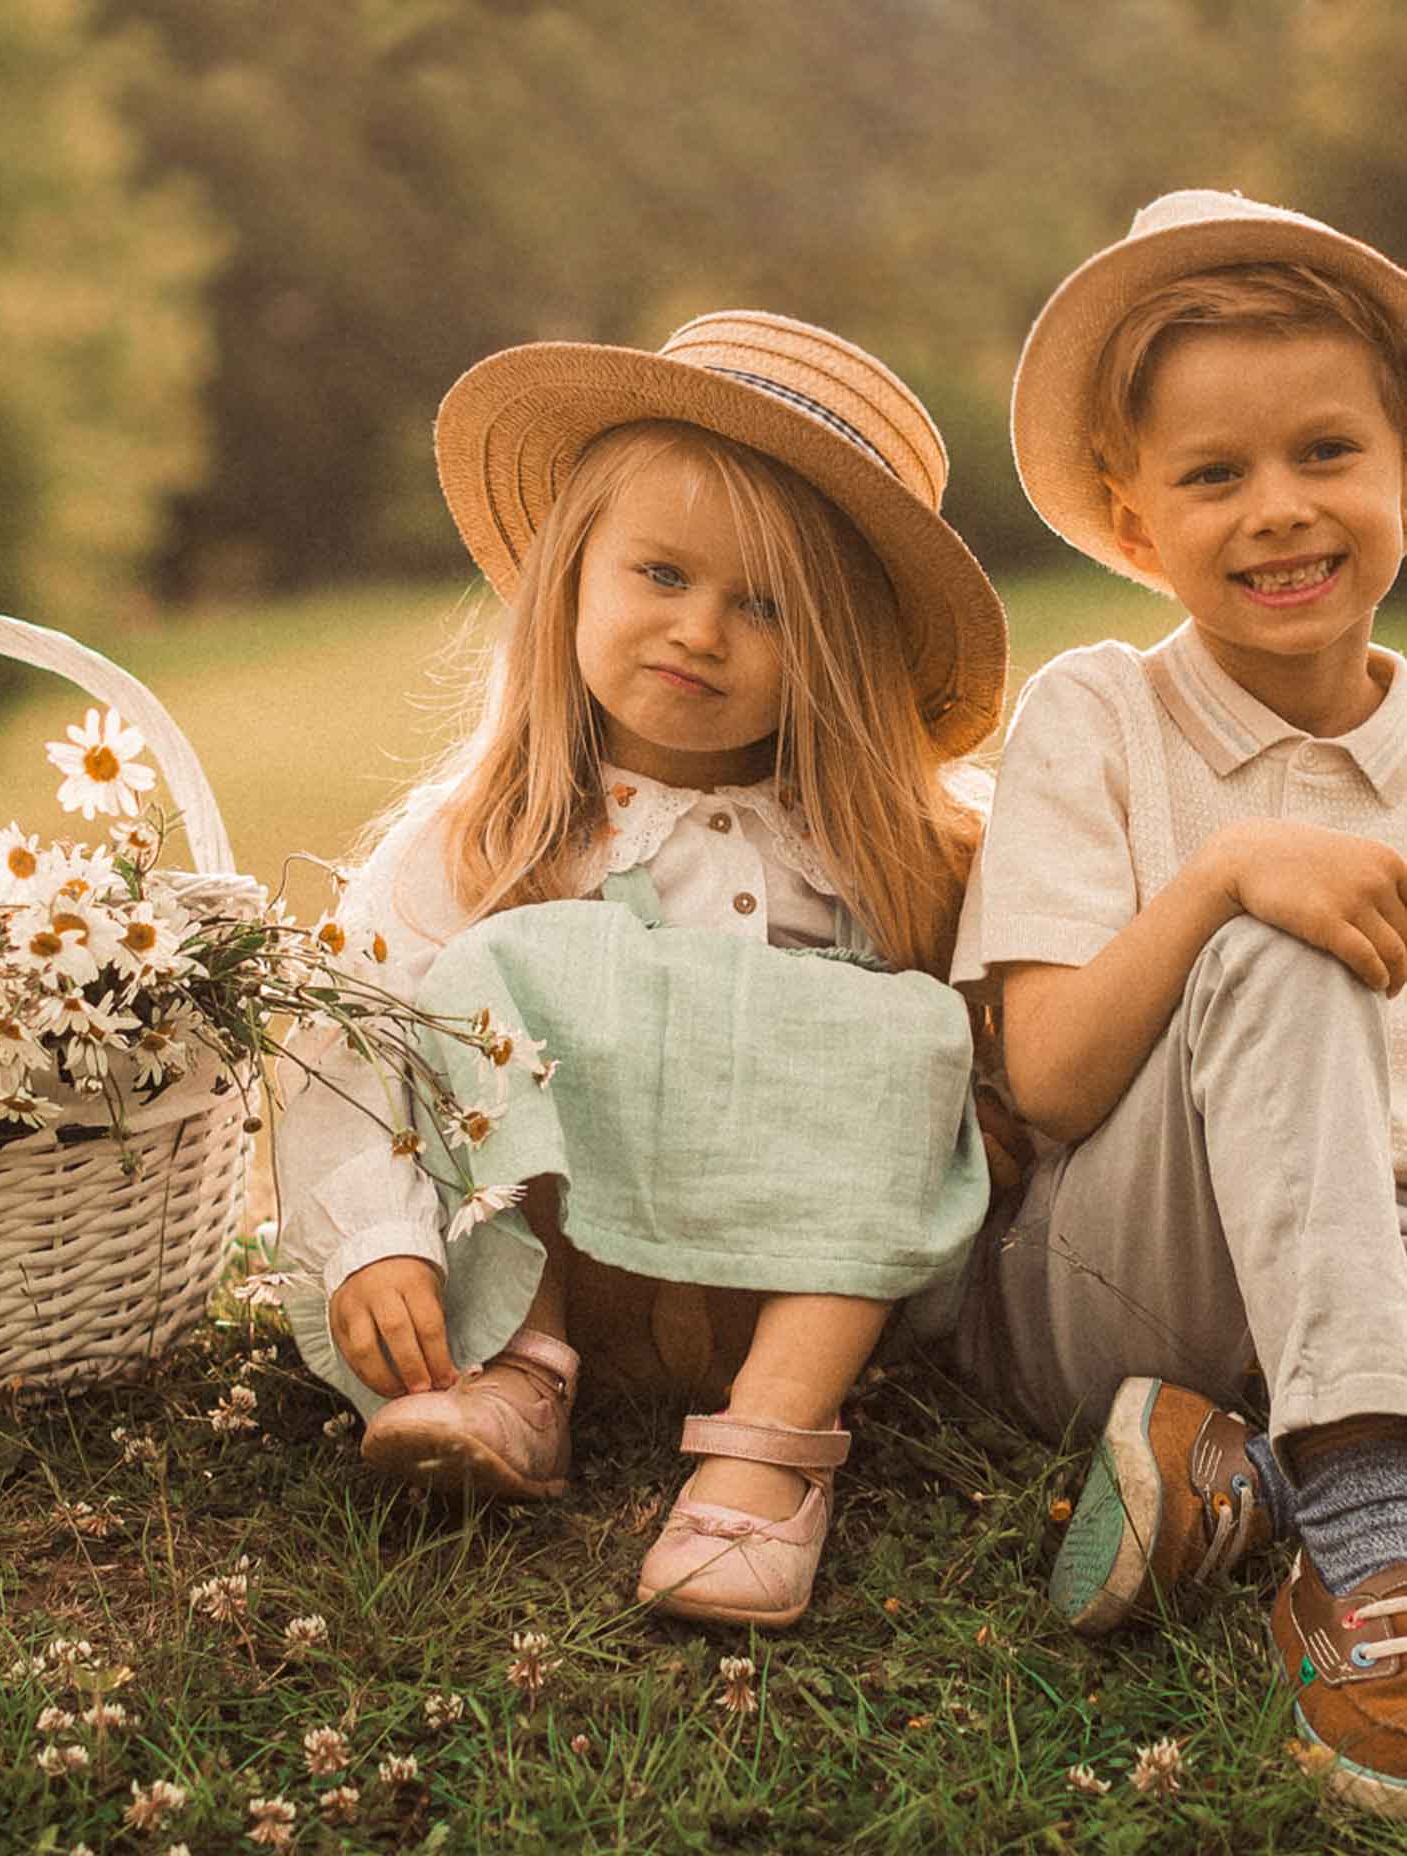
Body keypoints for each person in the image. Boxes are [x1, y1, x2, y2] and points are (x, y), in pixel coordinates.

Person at [274, 311, 1009, 1628]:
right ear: (574, 577)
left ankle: (766, 1456)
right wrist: (374, 1245)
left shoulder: (894, 856)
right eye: (660, 573)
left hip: (786, 1301)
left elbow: (1004, 1056)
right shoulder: (483, 833)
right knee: (511, 970)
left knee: (905, 1036)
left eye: (765, 606)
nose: (700, 632)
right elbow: (349, 1046)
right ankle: (522, 1376)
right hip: (555, 1284)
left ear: (838, 652)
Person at [951, 188, 1407, 1815]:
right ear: (1137, 526)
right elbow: (1054, 1079)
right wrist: (1228, 876)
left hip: (1360, 1272)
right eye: (1213, 476)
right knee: (1286, 944)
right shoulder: (1097, 713)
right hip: (1108, 1271)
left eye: (1325, 455)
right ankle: (1363, 1539)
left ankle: (1227, 1477)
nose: (1278, 511)